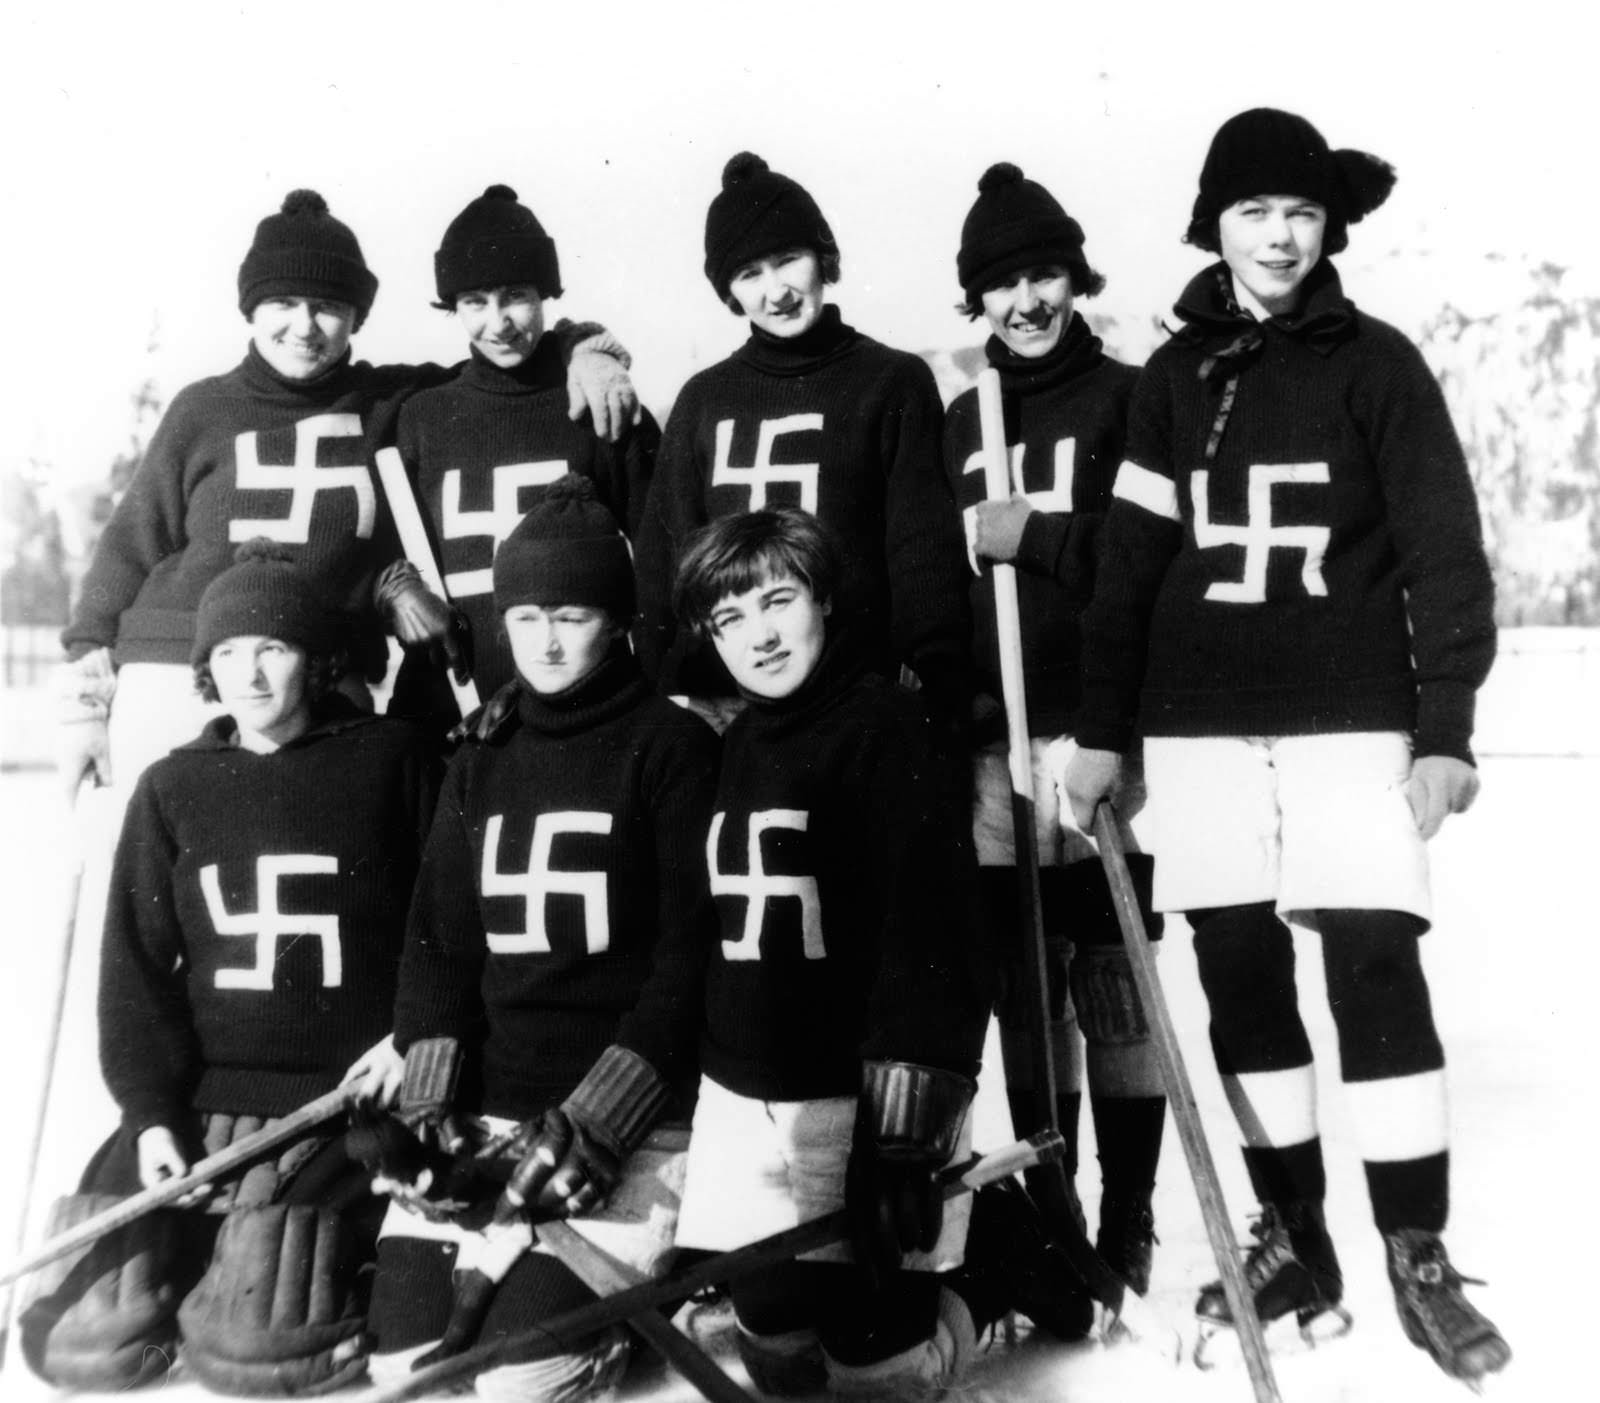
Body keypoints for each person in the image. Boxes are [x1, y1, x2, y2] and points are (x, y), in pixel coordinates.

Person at [1063, 109, 1509, 1386]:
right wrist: (1102, 734)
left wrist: (1445, 727)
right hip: (1196, 728)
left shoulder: (1379, 365)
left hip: (1348, 717)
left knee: (1374, 965)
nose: (1277, 235)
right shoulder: (1170, 379)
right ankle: (1294, 1235)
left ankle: (1415, 1252)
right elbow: (1130, 567)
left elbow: (1441, 551)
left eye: (1300, 213)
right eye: (1254, 211)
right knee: (1242, 977)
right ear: (1215, 224)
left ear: (1329, 229)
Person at [21, 542, 440, 1394]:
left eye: (273, 648)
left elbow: (448, 924)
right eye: (227, 653)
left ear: (317, 659)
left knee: (264, 1341)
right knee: (80, 1341)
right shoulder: (174, 785)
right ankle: (192, 1266)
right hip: (207, 1096)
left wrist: (412, 1037)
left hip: (339, 1098)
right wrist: (148, 1117)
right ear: (205, 667)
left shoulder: (393, 758)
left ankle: (255, 1275)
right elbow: (133, 972)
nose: (250, 674)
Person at [668, 509, 1064, 1397]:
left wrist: (901, 1139)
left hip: (864, 1101)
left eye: (779, 601)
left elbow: (935, 943)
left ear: (826, 599)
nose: (760, 635)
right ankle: (948, 1250)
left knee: (874, 1379)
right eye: (730, 619)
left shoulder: (890, 728)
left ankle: (992, 1264)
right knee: (775, 1359)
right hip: (756, 1095)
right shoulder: (731, 744)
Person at [364, 475, 720, 1402]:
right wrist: (433, 1102)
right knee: (405, 1367)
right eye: (526, 619)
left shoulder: (672, 749)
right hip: (489, 1109)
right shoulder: (480, 753)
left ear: (620, 621)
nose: (549, 642)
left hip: (624, 1123)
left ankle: (638, 1316)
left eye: (572, 615)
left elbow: (692, 959)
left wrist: (605, 1115)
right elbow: (440, 940)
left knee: (524, 1379)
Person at [944, 162, 1167, 1315]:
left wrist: (1033, 533)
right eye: (999, 285)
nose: (1024, 300)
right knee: (1031, 995)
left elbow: (1148, 559)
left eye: (1042, 274)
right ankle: (1056, 1207)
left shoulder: (1132, 398)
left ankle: (1127, 1207)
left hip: (1106, 732)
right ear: (974, 302)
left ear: (1075, 278)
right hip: (995, 744)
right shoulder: (959, 419)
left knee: (1114, 984)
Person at [633, 152, 971, 738]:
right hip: (723, 704)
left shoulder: (890, 381)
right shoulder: (702, 399)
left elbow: (922, 551)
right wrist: (658, 694)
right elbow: (666, 564)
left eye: (789, 260)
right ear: (729, 293)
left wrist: (938, 683)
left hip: (856, 693)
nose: (776, 291)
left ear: (824, 259)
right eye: (749, 274)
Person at [387, 185, 660, 728]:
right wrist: (396, 585)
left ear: (544, 294)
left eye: (515, 295)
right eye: (474, 303)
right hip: (457, 706)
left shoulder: (597, 401)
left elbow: (659, 562)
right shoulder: (423, 416)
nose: (498, 322)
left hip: (582, 710)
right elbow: (394, 551)